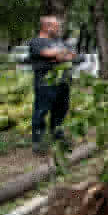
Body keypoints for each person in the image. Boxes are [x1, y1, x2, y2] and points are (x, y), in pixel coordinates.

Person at [29, 16, 76, 155]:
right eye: (56, 27)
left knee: (61, 111)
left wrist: (59, 55)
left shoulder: (60, 42)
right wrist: (59, 55)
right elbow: (47, 53)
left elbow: (73, 54)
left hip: (63, 82)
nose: (58, 29)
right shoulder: (36, 42)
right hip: (45, 83)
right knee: (41, 111)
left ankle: (58, 137)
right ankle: (39, 142)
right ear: (47, 27)